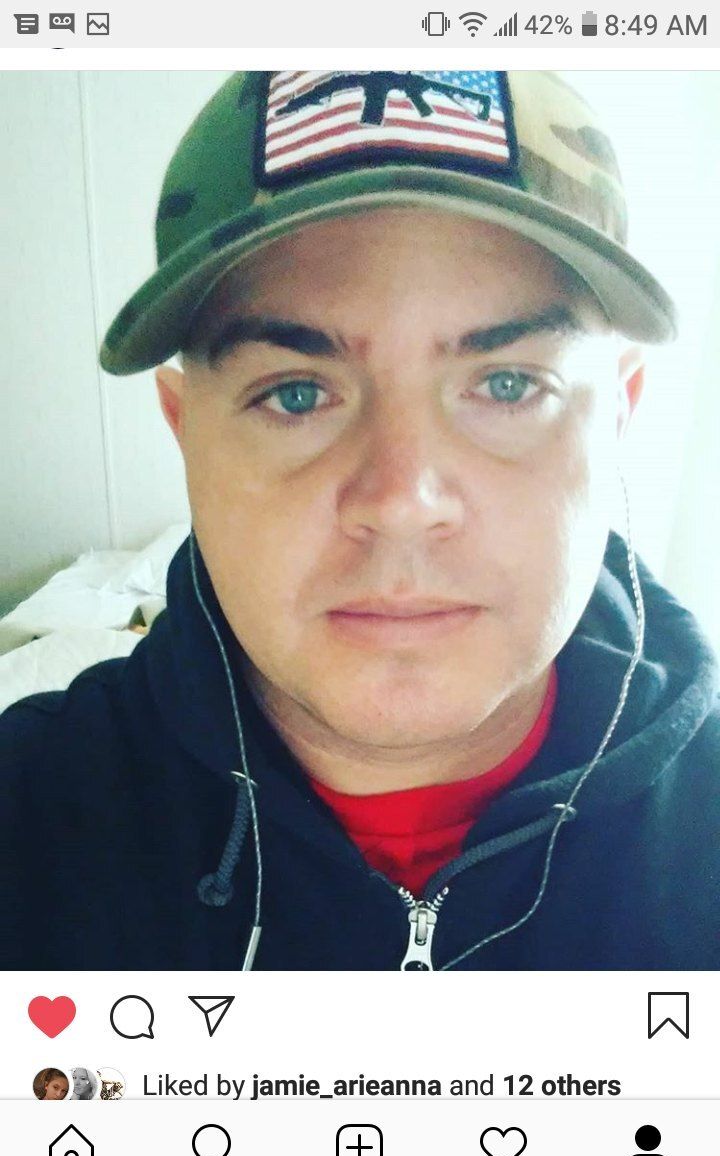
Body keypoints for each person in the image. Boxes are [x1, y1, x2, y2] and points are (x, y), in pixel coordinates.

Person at [1, 70, 718, 971]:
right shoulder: (31, 821)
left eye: (507, 385)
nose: (401, 502)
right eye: (296, 394)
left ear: (616, 415)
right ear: (186, 431)